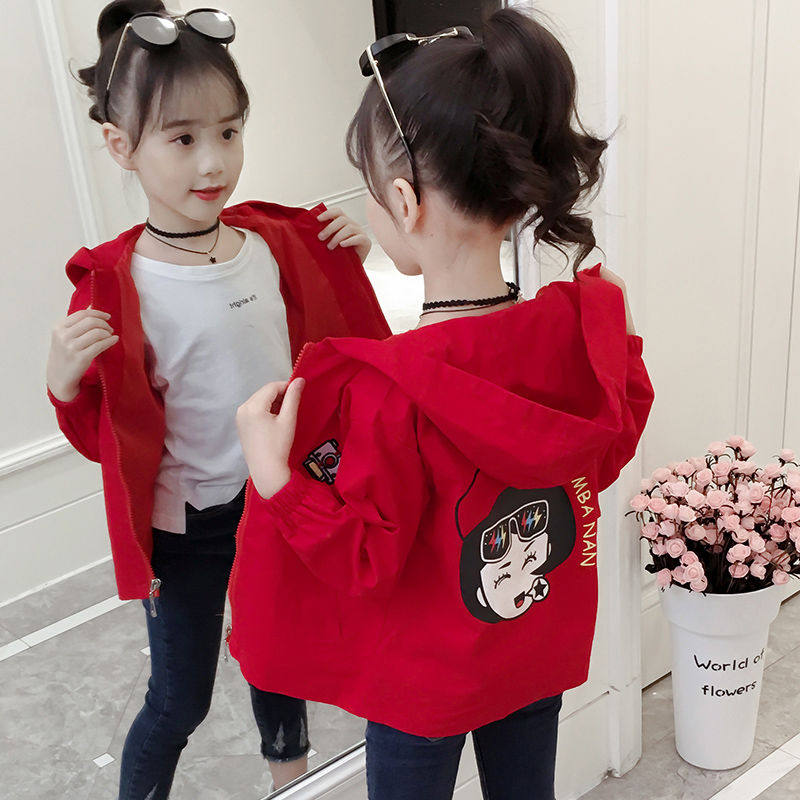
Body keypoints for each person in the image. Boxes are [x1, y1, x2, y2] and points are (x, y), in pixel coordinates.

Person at [230, 8, 654, 800]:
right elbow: (602, 452)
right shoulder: (578, 327)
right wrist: (617, 339)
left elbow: (364, 559)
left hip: (422, 684)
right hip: (535, 644)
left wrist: (278, 479)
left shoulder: (389, 390)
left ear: (403, 200)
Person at [44, 2, 389, 798]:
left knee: (281, 659)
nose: (213, 163)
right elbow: (110, 438)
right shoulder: (117, 285)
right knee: (179, 700)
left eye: (229, 132)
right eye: (183, 138)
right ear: (121, 146)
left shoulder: (277, 243)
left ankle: (290, 782)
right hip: (188, 532)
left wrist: (356, 254)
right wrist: (63, 383)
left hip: (278, 503)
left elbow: (344, 357)